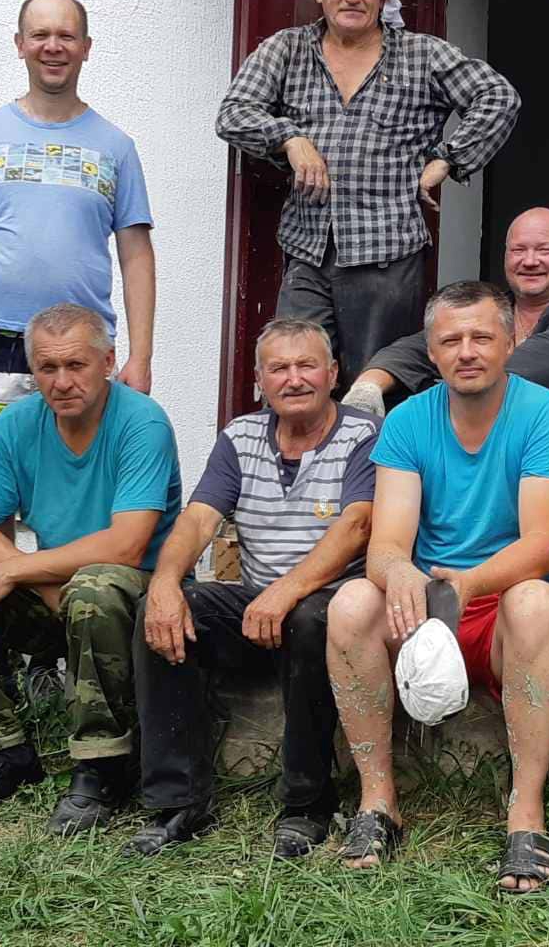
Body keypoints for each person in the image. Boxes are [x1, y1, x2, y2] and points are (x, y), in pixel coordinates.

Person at [325, 281, 549, 894]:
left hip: (507, 601)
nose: (467, 351)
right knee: (352, 602)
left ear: (510, 343)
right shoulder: (408, 420)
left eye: (482, 337)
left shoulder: (544, 411)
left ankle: (525, 814)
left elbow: (544, 546)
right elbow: (386, 545)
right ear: (432, 352)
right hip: (429, 602)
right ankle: (377, 804)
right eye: (451, 340)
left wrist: (468, 583)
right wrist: (402, 573)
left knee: (534, 600)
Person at [0, 303, 182, 836]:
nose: (62, 382)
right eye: (47, 368)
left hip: (136, 605)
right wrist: (37, 579)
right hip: (62, 595)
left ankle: (103, 767)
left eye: (76, 365)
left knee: (94, 588)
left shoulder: (141, 422)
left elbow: (126, 544)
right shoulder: (17, 424)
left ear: (108, 362)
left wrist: (19, 571)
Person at [215, 0, 521, 389]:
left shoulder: (422, 54)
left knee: (376, 385)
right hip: (307, 247)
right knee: (294, 374)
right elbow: (233, 114)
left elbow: (498, 97)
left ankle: (373, 439)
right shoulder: (288, 48)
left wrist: (449, 159)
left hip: (387, 254)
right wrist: (289, 138)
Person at [131, 318, 377, 859]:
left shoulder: (362, 435)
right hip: (261, 605)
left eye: (307, 365)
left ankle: (306, 804)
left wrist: (287, 590)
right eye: (278, 368)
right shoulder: (240, 437)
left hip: (336, 606)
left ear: (333, 373)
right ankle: (178, 802)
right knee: (169, 609)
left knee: (313, 617)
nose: (294, 379)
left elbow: (358, 525)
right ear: (260, 381)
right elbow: (198, 519)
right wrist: (167, 582)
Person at [0, 0, 157, 495]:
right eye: (40, 35)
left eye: (66, 35)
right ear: (20, 44)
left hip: (80, 349)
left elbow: (136, 256)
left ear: (86, 47)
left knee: (77, 492)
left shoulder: (116, 147)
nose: (53, 46)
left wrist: (141, 355)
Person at [344, 206, 549, 523]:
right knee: (395, 400)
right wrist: (369, 385)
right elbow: (422, 346)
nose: (530, 261)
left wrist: (442, 388)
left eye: (544, 250)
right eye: (518, 250)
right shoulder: (494, 308)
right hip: (471, 464)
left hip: (547, 481)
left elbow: (532, 364)